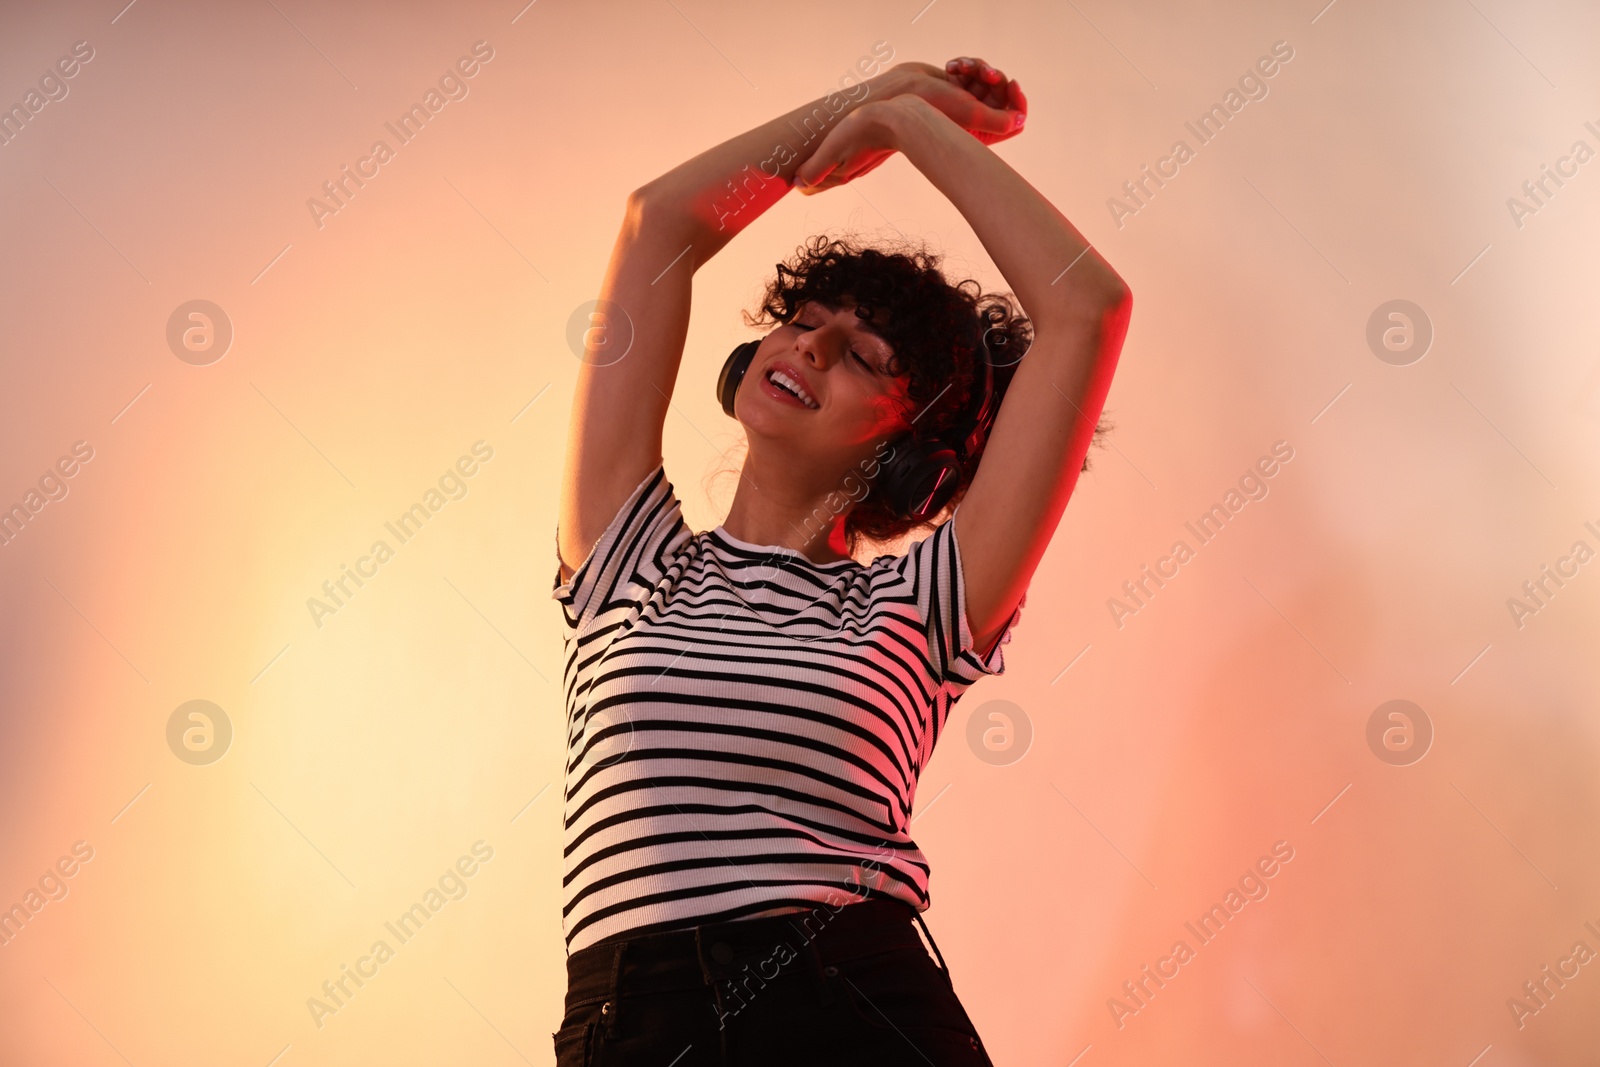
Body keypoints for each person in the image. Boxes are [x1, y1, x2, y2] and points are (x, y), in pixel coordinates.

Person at [551, 54, 1131, 1066]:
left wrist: (915, 126)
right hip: (633, 1025)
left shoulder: (926, 602)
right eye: (804, 320)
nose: (811, 347)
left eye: (865, 355)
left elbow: (1087, 310)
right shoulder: (625, 557)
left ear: (907, 453)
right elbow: (658, 224)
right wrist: (865, 101)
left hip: (855, 1008)